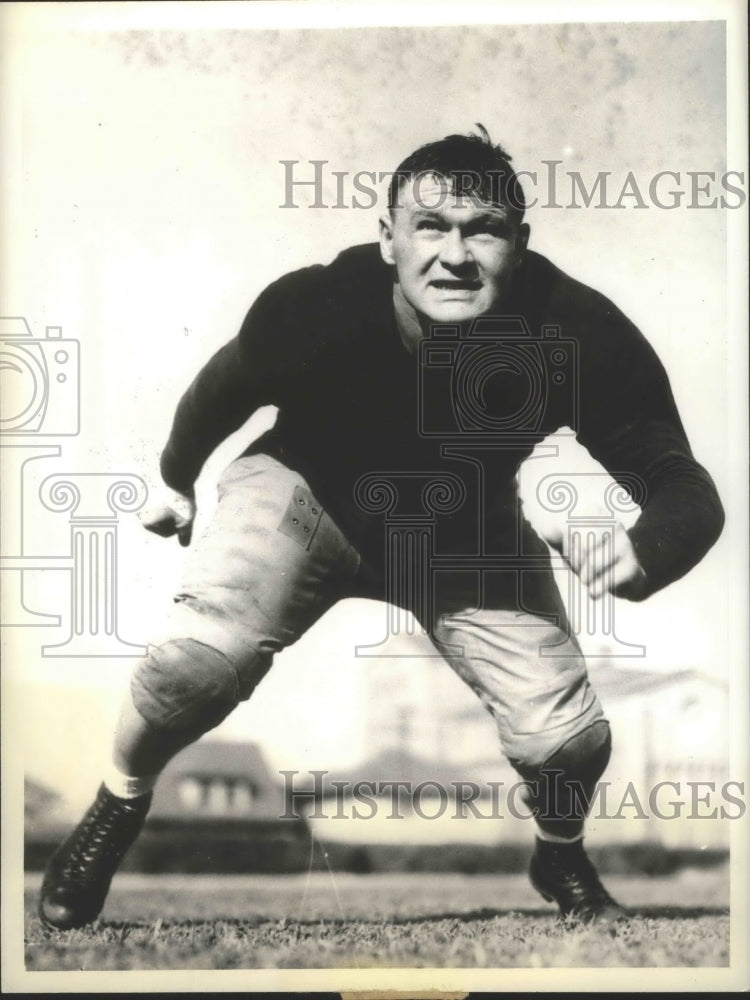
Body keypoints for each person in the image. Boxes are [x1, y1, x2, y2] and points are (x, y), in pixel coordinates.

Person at [39, 126, 724, 930]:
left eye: (484, 231)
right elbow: (222, 387)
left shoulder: (577, 330)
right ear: (388, 239)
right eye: (431, 226)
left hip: (461, 525)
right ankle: (117, 805)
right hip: (308, 493)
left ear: (520, 243)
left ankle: (559, 850)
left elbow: (684, 485)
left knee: (569, 741)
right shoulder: (314, 306)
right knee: (192, 668)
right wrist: (174, 477)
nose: (456, 255)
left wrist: (642, 555)